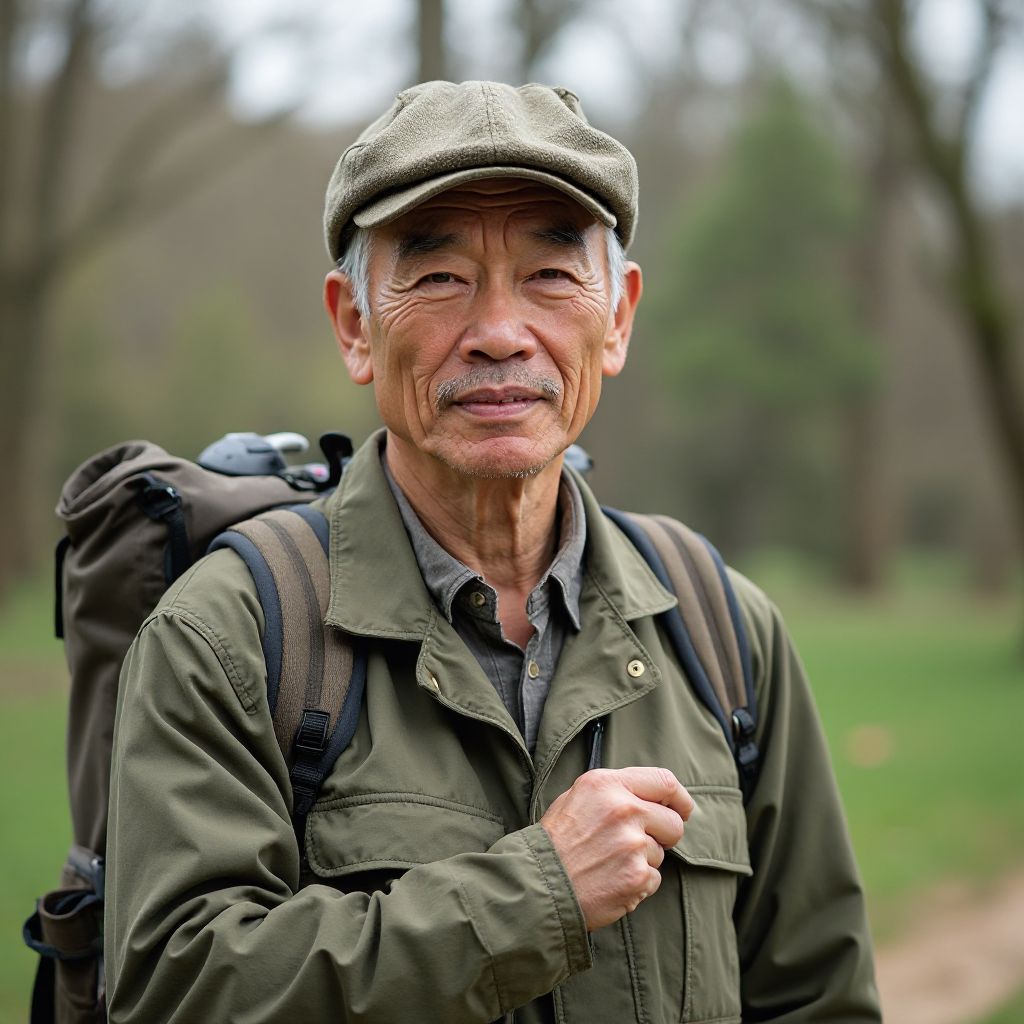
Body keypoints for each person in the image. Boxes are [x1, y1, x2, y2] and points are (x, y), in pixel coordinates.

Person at [104, 81, 881, 1023]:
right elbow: (176, 991)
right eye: (439, 277)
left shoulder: (722, 629)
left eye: (550, 274)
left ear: (618, 317)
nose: (501, 334)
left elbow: (818, 997)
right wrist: (537, 896)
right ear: (354, 325)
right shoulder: (227, 636)